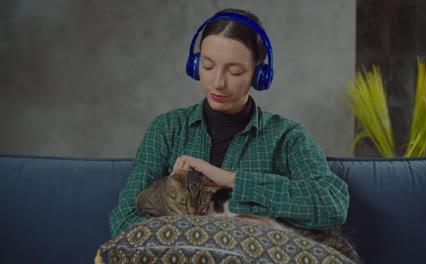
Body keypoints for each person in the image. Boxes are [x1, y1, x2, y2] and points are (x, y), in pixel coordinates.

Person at [109, 8, 350, 238]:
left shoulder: (287, 137)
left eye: (234, 72)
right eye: (207, 66)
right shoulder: (167, 129)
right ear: (194, 65)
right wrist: (197, 241)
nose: (218, 82)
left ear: (259, 75)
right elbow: (124, 219)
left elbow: (332, 204)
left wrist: (231, 179)